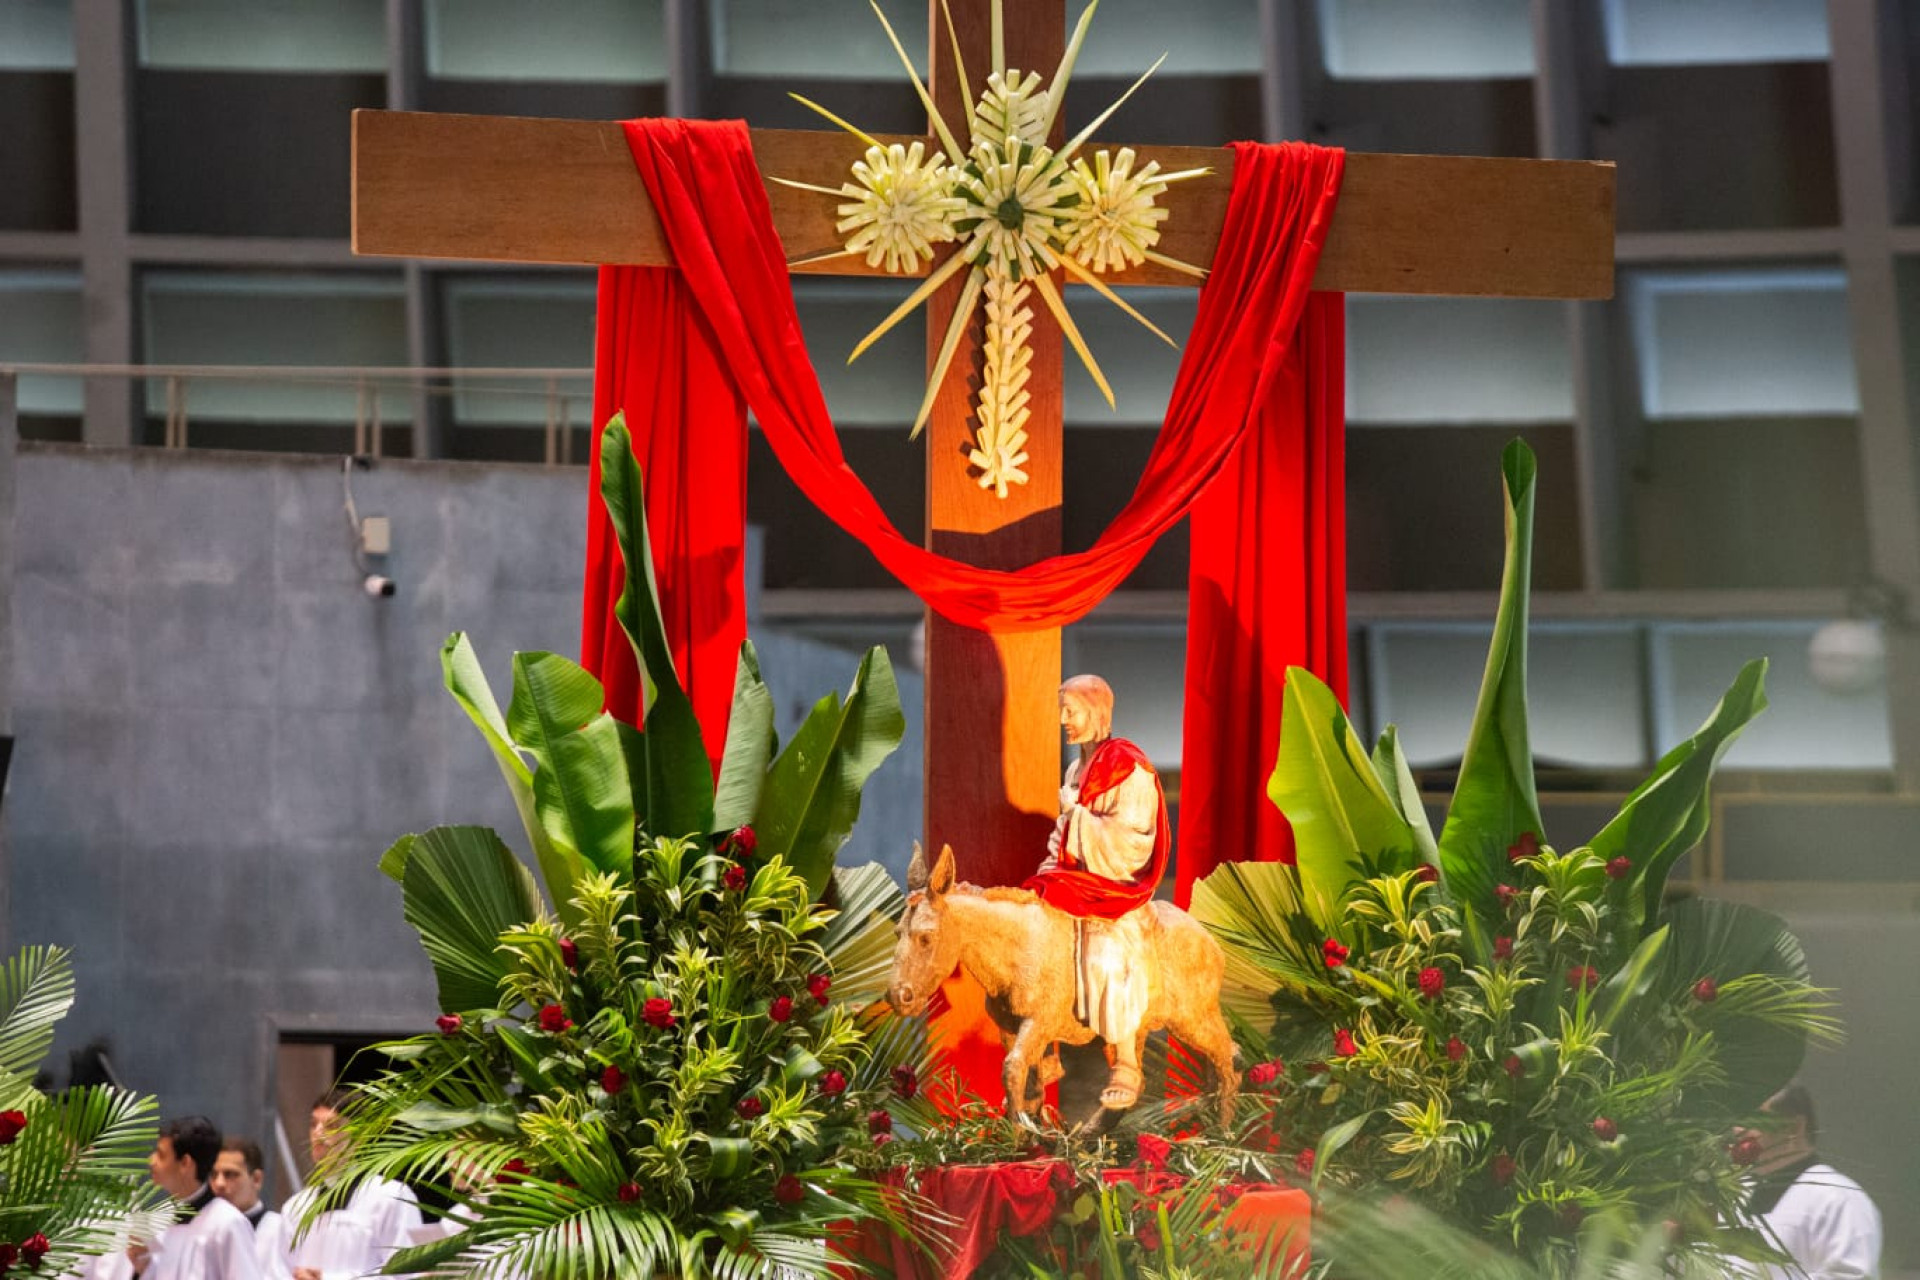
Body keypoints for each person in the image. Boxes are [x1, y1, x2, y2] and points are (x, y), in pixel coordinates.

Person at [1024, 674, 1171, 1110]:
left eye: (1071, 710)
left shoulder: (1130, 766)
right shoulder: (1075, 771)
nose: (1063, 720)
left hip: (1115, 888)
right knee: (1033, 936)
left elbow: (1134, 841)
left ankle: (1126, 1061)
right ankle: (1045, 1048)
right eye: (1061, 711)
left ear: (1097, 711)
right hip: (1075, 880)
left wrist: (1080, 818)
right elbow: (1061, 836)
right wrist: (1046, 875)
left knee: (1105, 954)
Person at [1734, 1083, 1883, 1279]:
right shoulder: (1738, 1192)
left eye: (1753, 1118)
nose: (1738, 1130)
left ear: (1794, 1127)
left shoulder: (1838, 1198)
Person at [277, 1088, 422, 1280]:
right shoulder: (296, 1206)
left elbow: (407, 1274)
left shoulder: (391, 1197)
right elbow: (279, 1272)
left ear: (360, 1136)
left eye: (332, 1125)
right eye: (313, 1124)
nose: (318, 1133)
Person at [137, 1116, 264, 1280]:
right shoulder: (161, 1218)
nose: (151, 1161)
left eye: (161, 1155)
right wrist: (144, 1265)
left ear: (185, 1163)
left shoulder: (227, 1222)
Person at [212, 1136, 291, 1275]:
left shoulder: (280, 1230)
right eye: (214, 1175)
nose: (219, 1183)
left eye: (230, 1174)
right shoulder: (204, 1230)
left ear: (256, 1179)